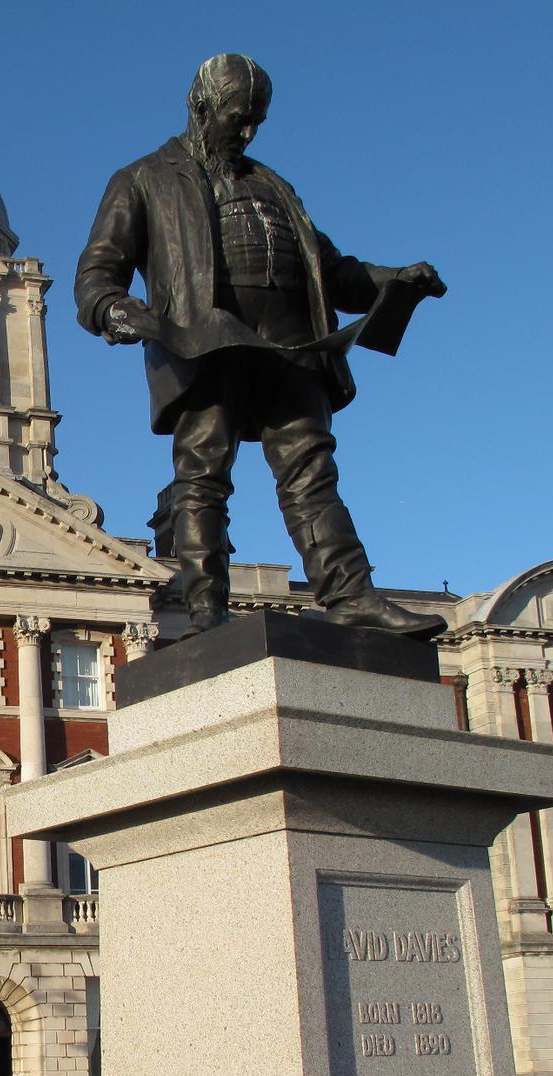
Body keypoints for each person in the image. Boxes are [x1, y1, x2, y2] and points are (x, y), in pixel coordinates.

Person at [76, 53, 448, 638]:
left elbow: (330, 270)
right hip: (206, 341)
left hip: (292, 343)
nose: (247, 132)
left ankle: (350, 596)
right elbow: (98, 273)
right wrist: (114, 311)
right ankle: (205, 611)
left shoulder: (272, 185)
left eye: (257, 121)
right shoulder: (144, 178)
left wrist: (391, 280)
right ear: (200, 109)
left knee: (311, 471)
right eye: (237, 118)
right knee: (202, 474)